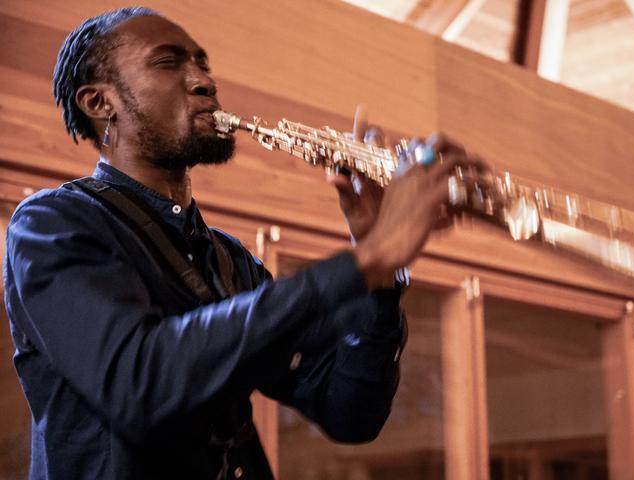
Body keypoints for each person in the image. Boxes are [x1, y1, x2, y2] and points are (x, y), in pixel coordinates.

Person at [3, 7, 485, 480]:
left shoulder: (231, 261)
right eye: (168, 62)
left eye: (202, 63)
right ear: (99, 103)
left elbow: (350, 413)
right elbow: (140, 381)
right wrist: (371, 257)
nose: (204, 81)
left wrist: (381, 275)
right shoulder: (52, 224)